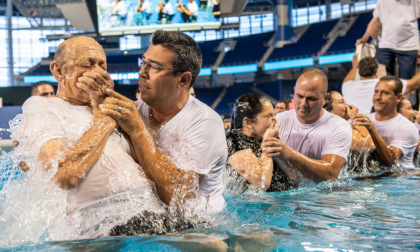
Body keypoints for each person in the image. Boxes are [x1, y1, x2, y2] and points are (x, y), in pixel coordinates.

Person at [13, 36, 172, 238]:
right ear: (58, 70)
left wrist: (133, 126)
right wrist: (103, 120)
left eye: (101, 66)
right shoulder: (42, 106)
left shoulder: (114, 108)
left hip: (155, 216)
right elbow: (64, 175)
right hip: (104, 227)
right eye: (87, 65)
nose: (97, 73)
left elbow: (155, 173)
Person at [101, 31, 227, 219]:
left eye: (155, 67)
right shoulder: (133, 111)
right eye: (143, 62)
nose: (142, 72)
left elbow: (177, 196)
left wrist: (137, 130)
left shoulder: (204, 124)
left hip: (204, 227)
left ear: (183, 80)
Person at [262, 68, 352, 183]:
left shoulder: (339, 127)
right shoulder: (278, 121)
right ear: (294, 91)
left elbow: (331, 173)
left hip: (323, 197)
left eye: (311, 99)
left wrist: (289, 154)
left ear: (325, 99)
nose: (303, 104)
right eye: (299, 96)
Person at [225, 93, 297, 194]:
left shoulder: (265, 137)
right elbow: (262, 183)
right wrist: (268, 141)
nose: (275, 120)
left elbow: (294, 177)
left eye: (274, 114)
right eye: (269, 116)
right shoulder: (234, 141)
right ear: (248, 122)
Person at [351, 76, 419, 170]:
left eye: (385, 93)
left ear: (398, 97)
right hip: (375, 179)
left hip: (400, 180)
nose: (378, 97)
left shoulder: (407, 128)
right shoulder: (366, 121)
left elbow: (390, 161)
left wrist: (372, 129)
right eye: (376, 92)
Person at [355, 0, 420, 80]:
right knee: (382, 77)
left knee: (406, 82)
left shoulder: (415, 1)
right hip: (386, 44)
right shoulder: (382, 1)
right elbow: (375, 20)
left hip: (409, 45)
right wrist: (364, 38)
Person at [342, 55, 420, 115]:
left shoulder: (347, 87)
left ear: (359, 72)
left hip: (355, 130)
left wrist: (355, 66)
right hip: (380, 128)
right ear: (376, 71)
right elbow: (415, 83)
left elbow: (347, 79)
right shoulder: (388, 84)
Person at [324, 91, 380, 173]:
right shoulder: (332, 128)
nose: (348, 106)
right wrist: (355, 116)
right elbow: (368, 145)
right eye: (341, 102)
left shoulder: (343, 127)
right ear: (327, 110)